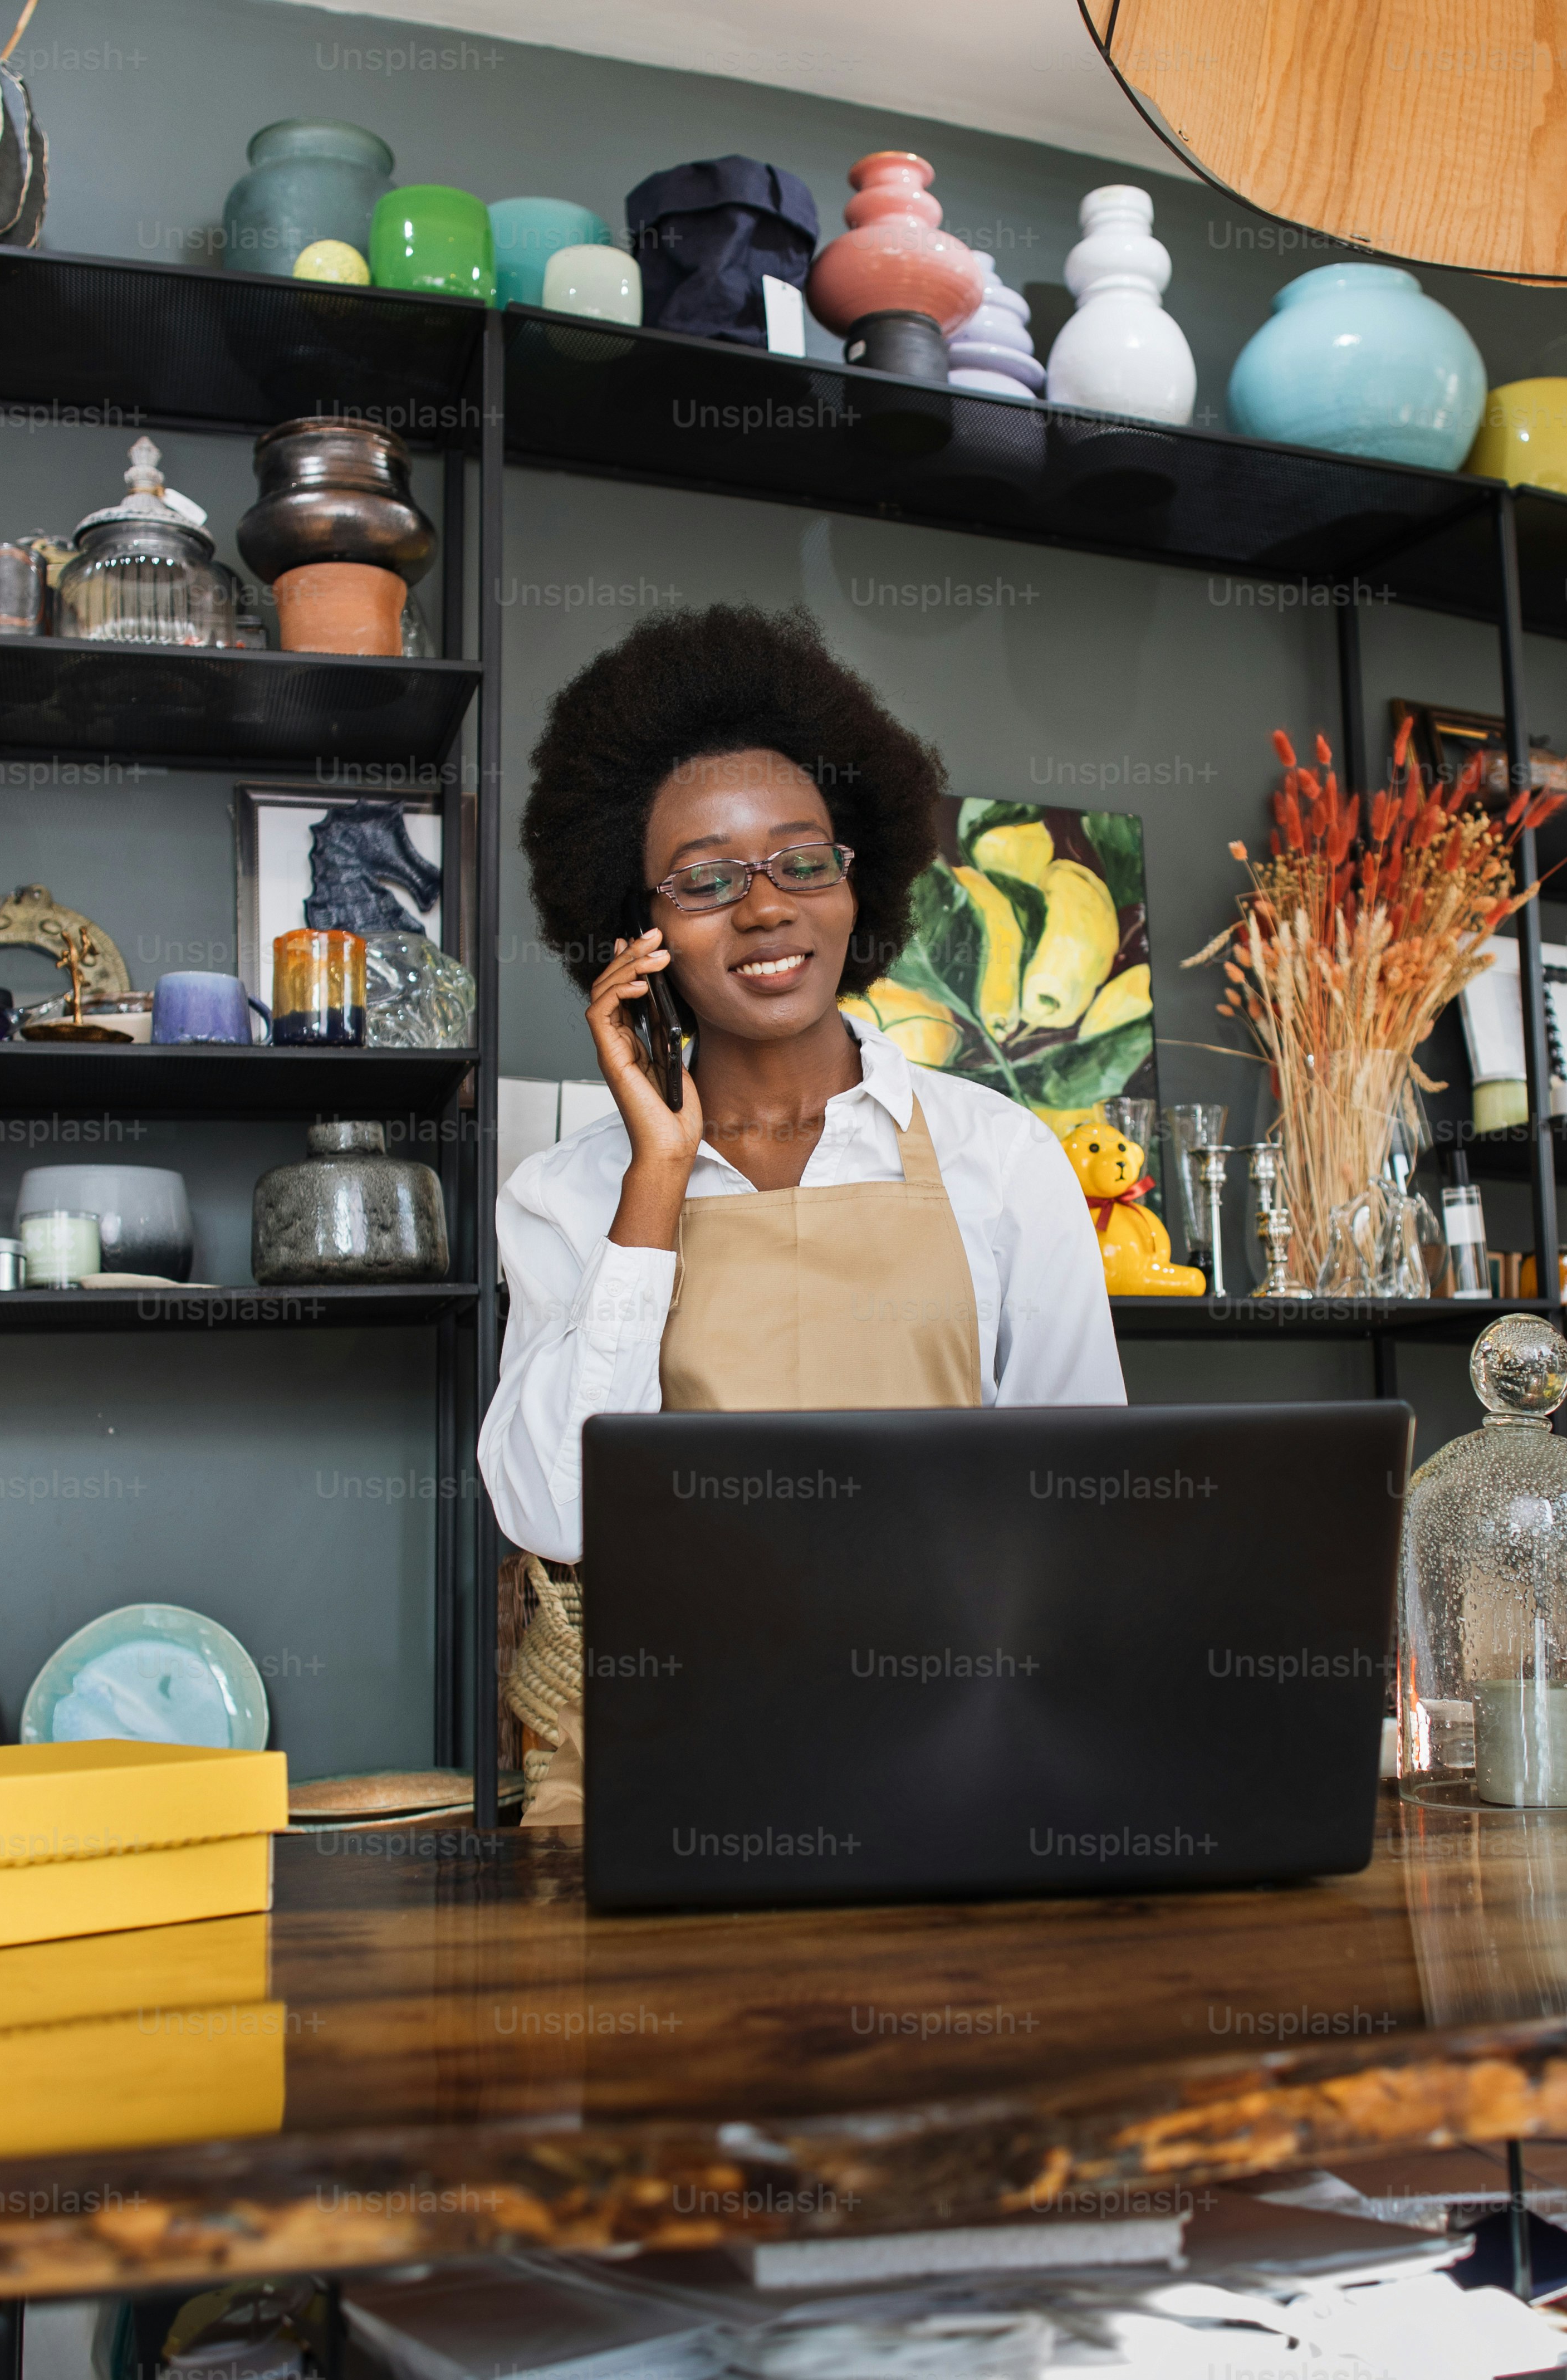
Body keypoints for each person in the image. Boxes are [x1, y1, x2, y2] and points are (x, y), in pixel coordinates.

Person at [481, 607, 1125, 1814]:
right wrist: (656, 1182)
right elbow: (553, 1512)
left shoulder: (1001, 1157)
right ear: (640, 928)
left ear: (853, 877)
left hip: (950, 1747)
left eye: (801, 859)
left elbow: (1079, 1504)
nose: (765, 906)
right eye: (705, 879)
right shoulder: (570, 1195)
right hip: (661, 1764)